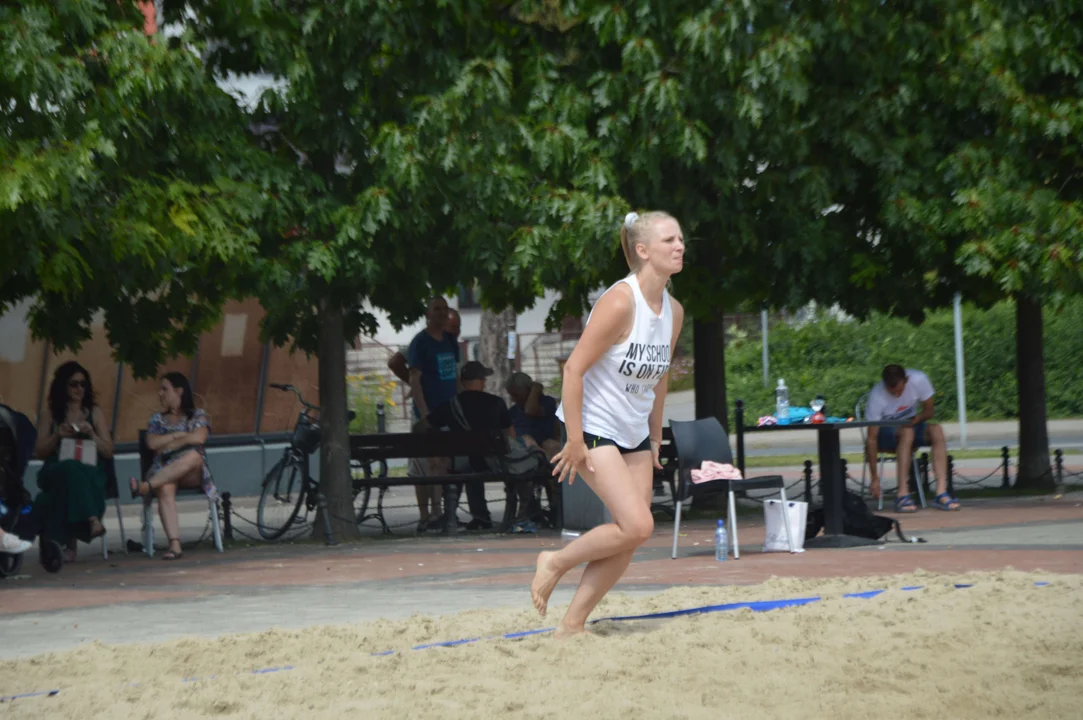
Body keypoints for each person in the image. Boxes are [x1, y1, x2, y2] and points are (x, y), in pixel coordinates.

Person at [531, 210, 684, 636]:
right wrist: (575, 440)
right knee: (639, 525)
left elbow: (661, 374)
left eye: (681, 240)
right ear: (642, 250)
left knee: (631, 534)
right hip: (593, 425)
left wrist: (655, 437)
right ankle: (554, 561)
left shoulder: (674, 309)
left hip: (634, 430)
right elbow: (573, 370)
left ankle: (572, 625)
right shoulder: (621, 301)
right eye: (669, 240)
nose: (679, 246)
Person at [129, 372, 215, 560]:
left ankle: (146, 486)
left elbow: (199, 438)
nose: (160, 394)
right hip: (165, 471)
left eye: (164, 389)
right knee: (166, 486)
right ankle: (175, 545)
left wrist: (170, 442)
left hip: (192, 472)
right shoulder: (156, 419)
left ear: (179, 391)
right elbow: (152, 443)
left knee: (194, 456)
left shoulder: (197, 415)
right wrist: (180, 436)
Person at [34, 361, 113, 563]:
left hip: (88, 473)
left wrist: (92, 434)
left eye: (83, 384)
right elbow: (40, 451)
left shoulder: (94, 412)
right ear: (63, 386)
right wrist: (57, 435)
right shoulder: (51, 413)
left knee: (46, 500)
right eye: (74, 384)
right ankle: (92, 519)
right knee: (68, 468)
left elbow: (108, 450)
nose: (80, 389)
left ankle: (67, 544)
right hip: (55, 469)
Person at [426, 361, 515, 531]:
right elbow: (510, 434)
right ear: (482, 380)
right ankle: (481, 517)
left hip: (461, 462)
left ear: (461, 381)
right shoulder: (496, 403)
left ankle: (453, 514)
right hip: (494, 462)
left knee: (463, 463)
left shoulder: (450, 405)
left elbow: (423, 426)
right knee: (474, 463)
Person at [865, 364, 960, 512]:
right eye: (891, 391)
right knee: (907, 432)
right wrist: (874, 478)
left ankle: (941, 492)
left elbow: (929, 411)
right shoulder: (877, 396)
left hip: (912, 424)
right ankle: (903, 494)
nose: (896, 394)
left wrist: (919, 417)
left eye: (899, 390)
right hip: (886, 433)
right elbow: (871, 439)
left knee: (936, 430)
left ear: (906, 380)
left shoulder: (919, 379)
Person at [405, 297, 461, 532]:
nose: (441, 314)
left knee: (444, 462)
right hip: (428, 413)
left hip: (449, 412)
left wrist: (459, 405)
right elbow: (414, 380)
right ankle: (427, 514)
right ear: (427, 314)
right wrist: (424, 413)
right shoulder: (420, 343)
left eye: (444, 309)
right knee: (427, 463)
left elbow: (455, 376)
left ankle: (440, 512)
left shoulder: (450, 341)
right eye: (436, 309)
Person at [387, 307, 461, 388]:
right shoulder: (424, 343)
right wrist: (420, 387)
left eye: (458, 327)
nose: (457, 331)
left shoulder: (453, 346)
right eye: (453, 327)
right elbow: (395, 363)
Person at [505, 372, 560, 459]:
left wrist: (535, 390)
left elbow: (530, 411)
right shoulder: (513, 411)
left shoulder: (547, 402)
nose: (513, 399)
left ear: (528, 390)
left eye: (516, 395)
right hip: (521, 452)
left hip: (544, 448)